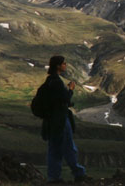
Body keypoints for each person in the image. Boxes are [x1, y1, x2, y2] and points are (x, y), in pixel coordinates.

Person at [41, 55, 89, 184]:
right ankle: (79, 174)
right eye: (64, 63)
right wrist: (71, 90)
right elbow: (64, 99)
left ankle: (53, 177)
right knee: (69, 147)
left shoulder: (49, 80)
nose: (65, 65)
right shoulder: (56, 81)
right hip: (61, 120)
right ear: (58, 66)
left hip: (51, 120)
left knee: (54, 149)